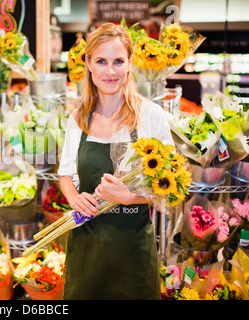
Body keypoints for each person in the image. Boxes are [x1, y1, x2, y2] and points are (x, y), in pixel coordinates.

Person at [58, 22, 174, 299]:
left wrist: (130, 197)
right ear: (88, 63)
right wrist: (74, 197)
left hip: (132, 253)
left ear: (130, 63)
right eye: (101, 61)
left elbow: (170, 188)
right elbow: (65, 175)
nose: (110, 71)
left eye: (118, 61)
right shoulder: (77, 119)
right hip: (87, 250)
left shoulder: (152, 116)